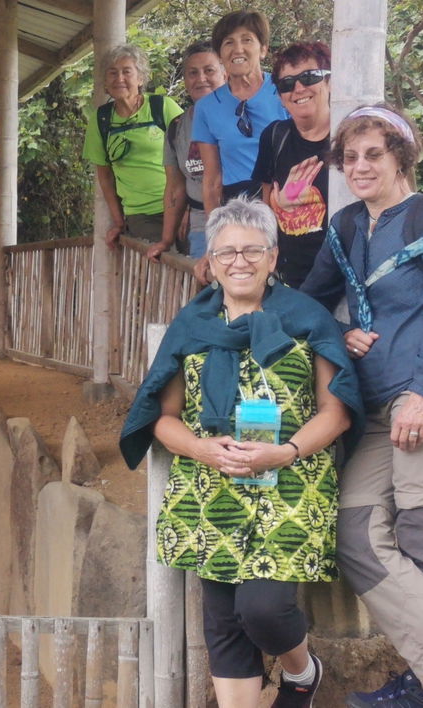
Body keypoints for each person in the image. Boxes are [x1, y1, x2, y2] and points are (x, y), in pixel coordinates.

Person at [121, 197, 362, 708]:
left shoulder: (305, 317)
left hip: (290, 482)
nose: (239, 261)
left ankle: (301, 674)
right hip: (212, 485)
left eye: (253, 250)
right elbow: (162, 418)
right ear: (209, 261)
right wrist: (204, 450)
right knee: (224, 621)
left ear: (273, 258)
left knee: (263, 609)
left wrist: (288, 452)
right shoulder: (191, 325)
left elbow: (336, 411)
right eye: (226, 252)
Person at [300, 104, 423, 708]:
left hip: (417, 402)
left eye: (373, 153)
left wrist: (422, 393)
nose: (359, 166)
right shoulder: (346, 224)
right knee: (354, 534)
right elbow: (309, 303)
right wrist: (336, 329)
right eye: (349, 157)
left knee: (419, 534)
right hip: (372, 409)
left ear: (401, 154)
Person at [82, 43, 183, 247]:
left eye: (126, 72)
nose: (119, 79)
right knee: (162, 271)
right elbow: (105, 176)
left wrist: (192, 206)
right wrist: (119, 223)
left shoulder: (162, 107)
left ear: (140, 78)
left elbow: (192, 156)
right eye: (112, 73)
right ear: (105, 82)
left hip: (180, 206)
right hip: (142, 215)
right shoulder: (101, 120)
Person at [252, 42, 332, 288]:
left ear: (329, 82)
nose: (298, 88)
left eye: (309, 77)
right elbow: (265, 208)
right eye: (287, 83)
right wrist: (280, 205)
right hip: (291, 279)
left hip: (341, 281)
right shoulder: (275, 136)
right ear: (279, 95)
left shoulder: (350, 137)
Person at [192, 11, 289, 212]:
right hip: (237, 206)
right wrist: (215, 232)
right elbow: (212, 180)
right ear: (219, 55)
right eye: (228, 42)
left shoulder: (285, 90)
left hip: (286, 199)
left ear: (263, 49)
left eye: (247, 40)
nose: (238, 49)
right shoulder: (206, 108)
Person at [149, 41, 227, 263]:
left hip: (241, 223)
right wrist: (166, 240)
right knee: (206, 293)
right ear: (185, 80)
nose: (201, 78)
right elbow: (175, 188)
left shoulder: (242, 118)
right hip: (201, 227)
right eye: (193, 73)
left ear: (225, 74)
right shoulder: (177, 127)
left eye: (209, 70)